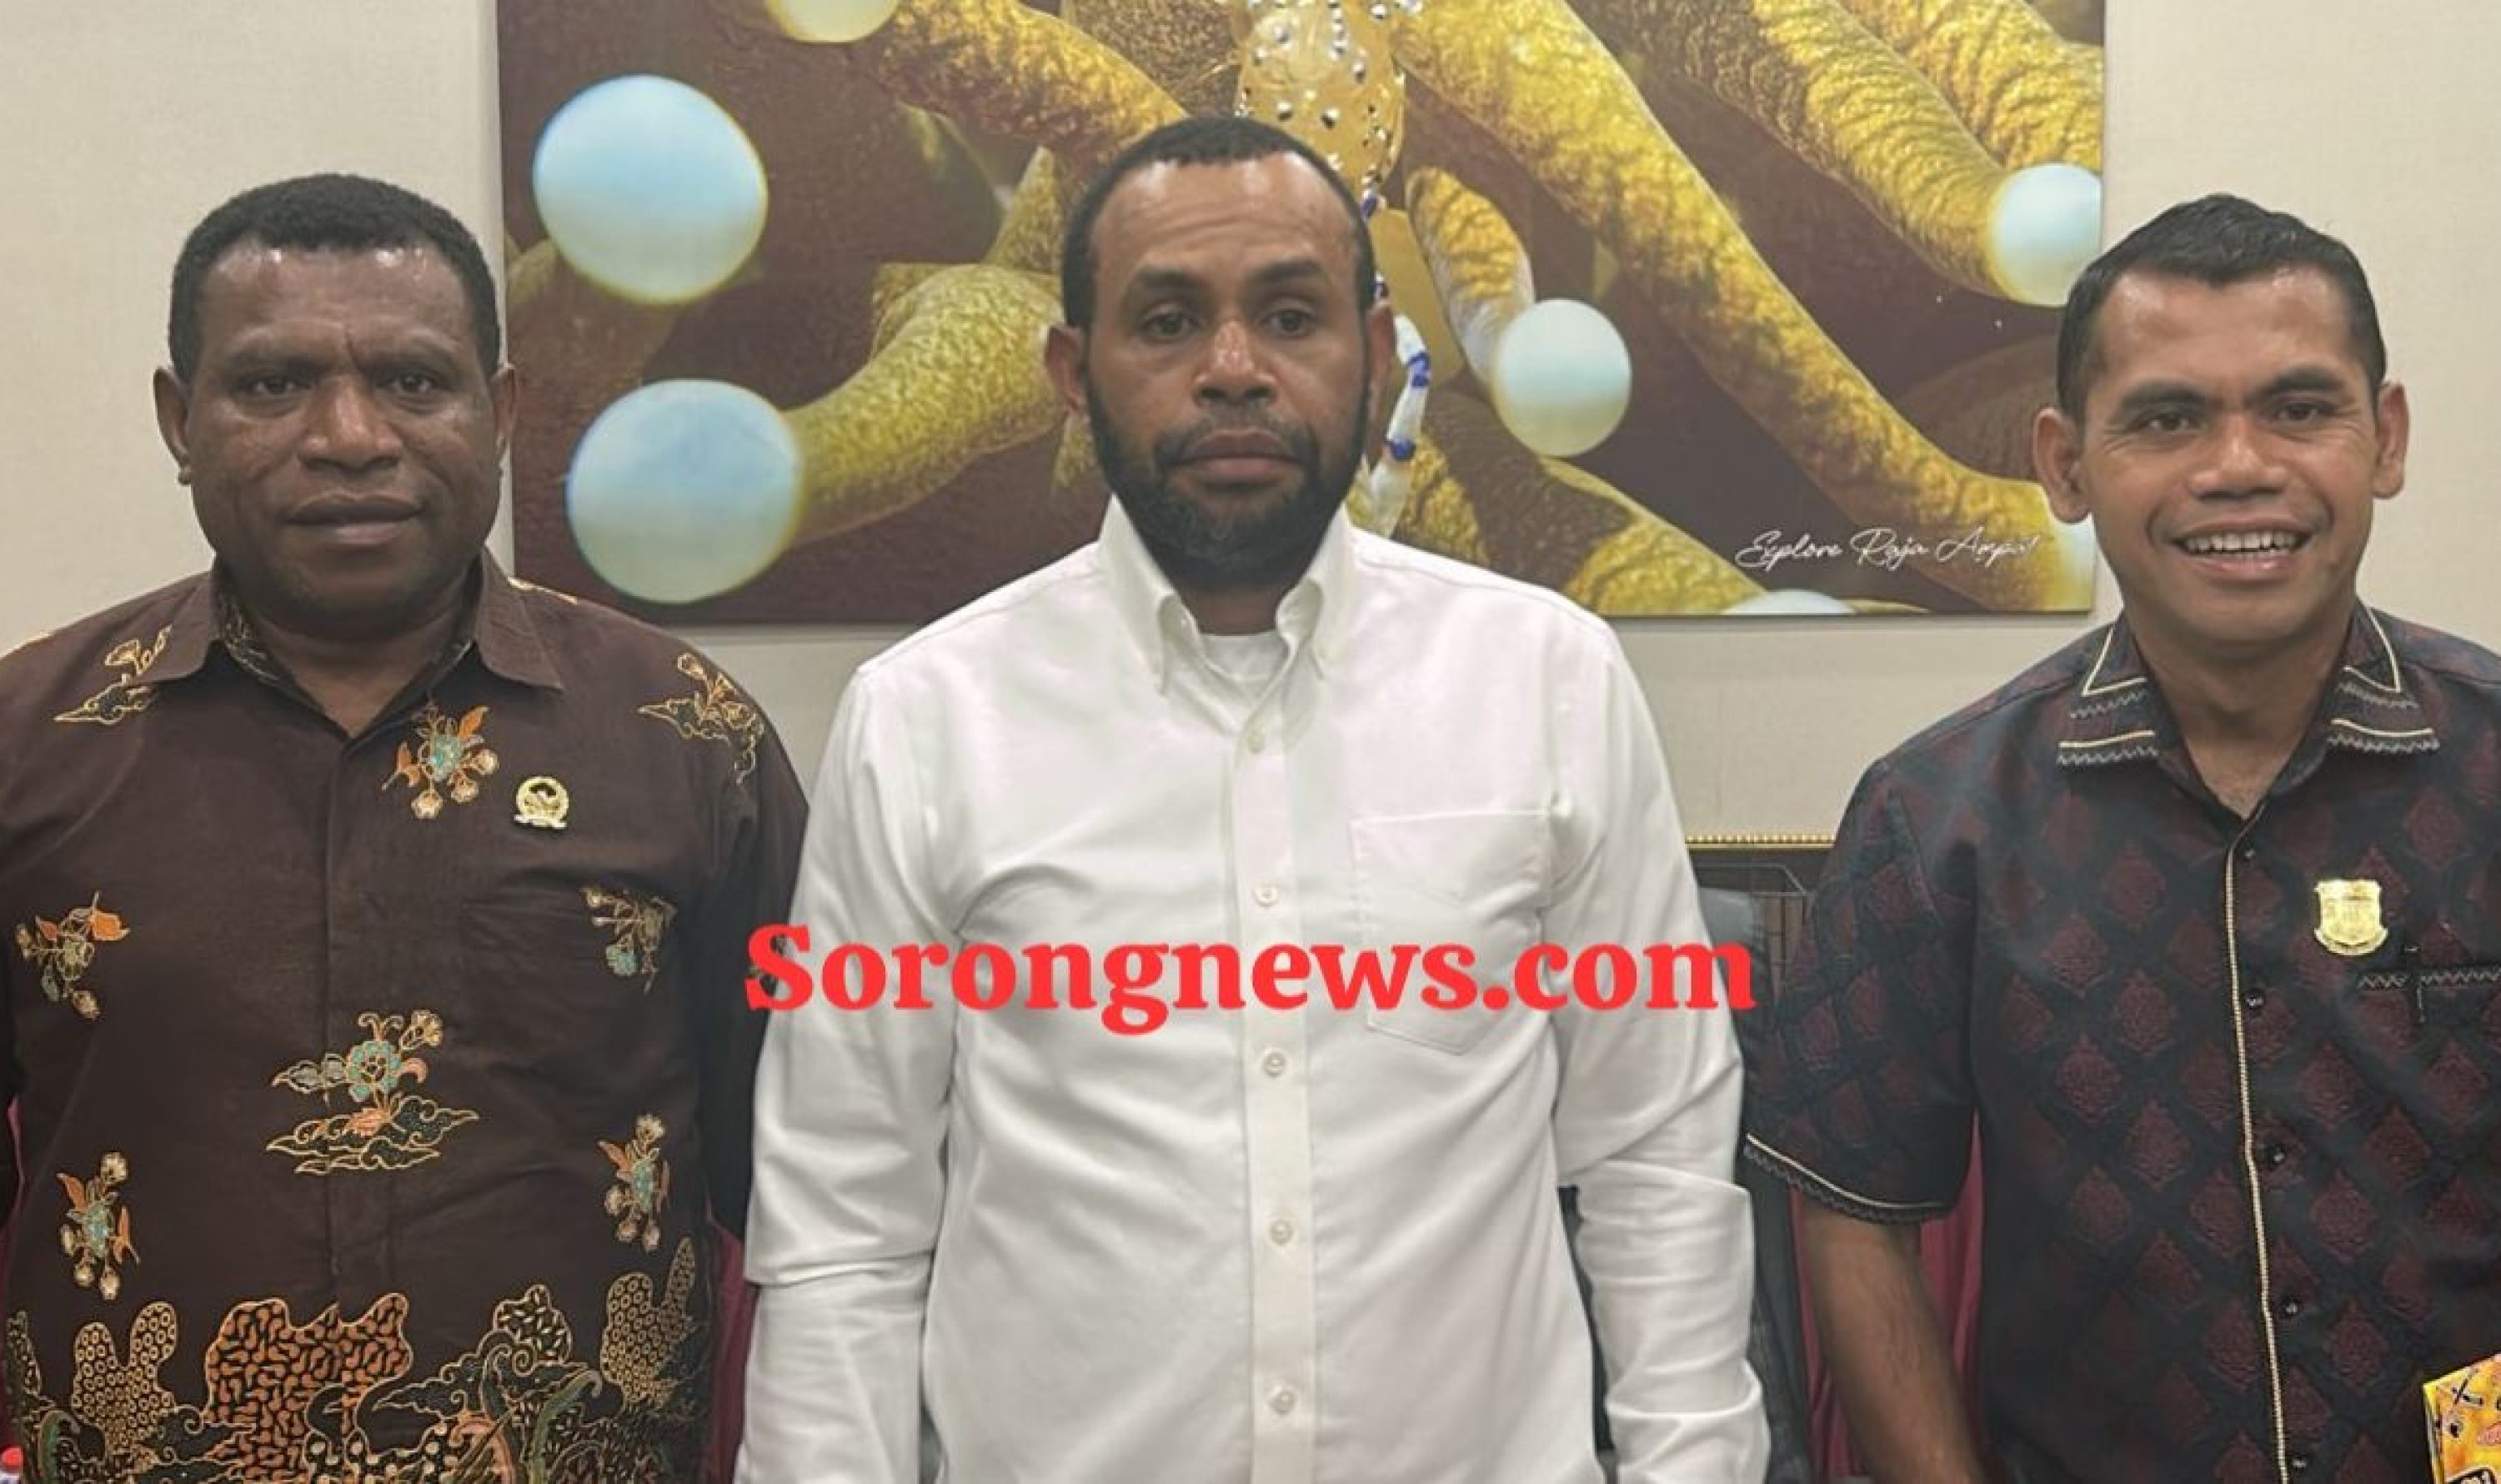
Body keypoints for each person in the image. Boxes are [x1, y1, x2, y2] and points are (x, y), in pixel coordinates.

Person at [739, 116, 1767, 1482]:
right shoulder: (927, 720)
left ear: (1377, 351)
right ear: (1072, 372)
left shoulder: (1546, 680)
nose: (1234, 369)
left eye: (1290, 316)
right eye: (1168, 322)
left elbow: (1658, 1162)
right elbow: (846, 1222)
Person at [0, 173, 805, 1479]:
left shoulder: (686, 739)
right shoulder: (31, 743)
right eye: (272, 385)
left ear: (501, 412)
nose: (349, 436)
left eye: (415, 383)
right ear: (179, 420)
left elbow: (807, 1183)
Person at [1744, 193, 2501, 1481]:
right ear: (2064, 465)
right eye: (2166, 419)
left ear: (2385, 438)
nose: (2238, 465)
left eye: (2299, 408)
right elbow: (1858, 1220)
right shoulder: (1938, 820)